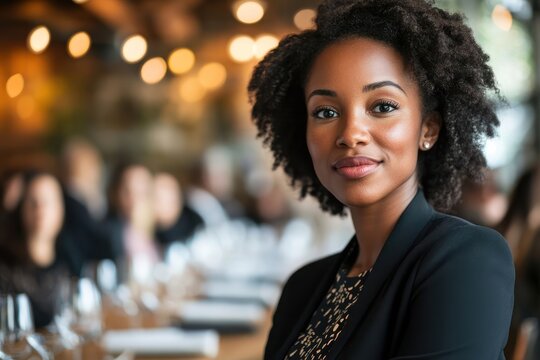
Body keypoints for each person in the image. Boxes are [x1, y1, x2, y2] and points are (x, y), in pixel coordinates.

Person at [247, 0, 515, 358]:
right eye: (326, 112)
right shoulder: (303, 287)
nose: (351, 133)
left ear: (428, 129)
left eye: (382, 106)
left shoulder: (465, 261)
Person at [0, 171, 69, 328]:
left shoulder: (71, 259)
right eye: (33, 201)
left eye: (48, 202)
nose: (40, 209)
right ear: (21, 209)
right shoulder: (5, 268)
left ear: (61, 209)